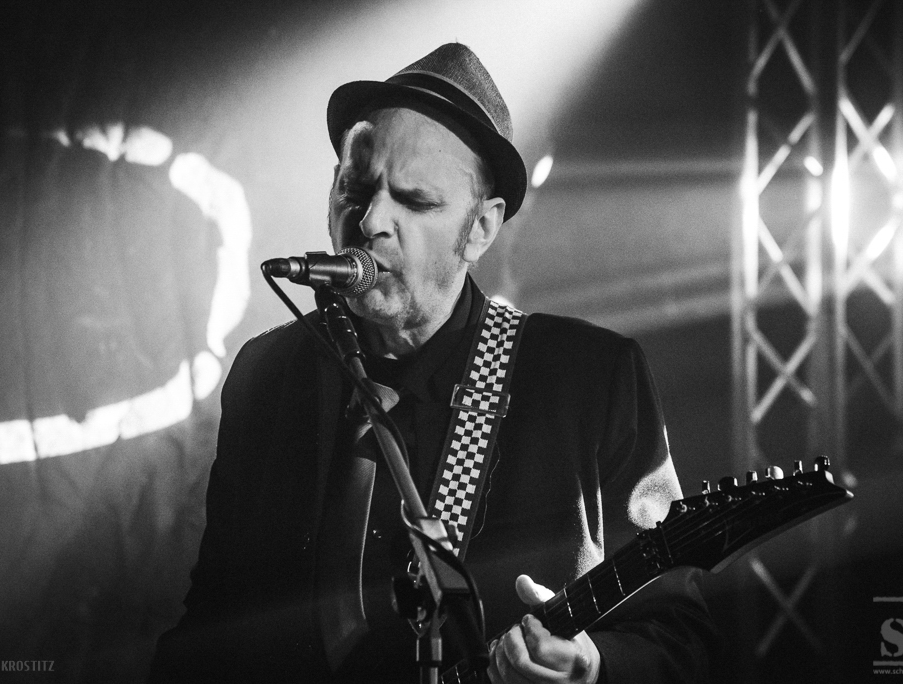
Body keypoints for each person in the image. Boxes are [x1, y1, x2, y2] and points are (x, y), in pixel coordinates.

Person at [150, 43, 717, 684]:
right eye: (354, 188)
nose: (371, 220)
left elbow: (680, 637)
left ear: (480, 229)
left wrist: (594, 665)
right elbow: (213, 621)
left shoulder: (589, 379)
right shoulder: (269, 373)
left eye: (415, 200)